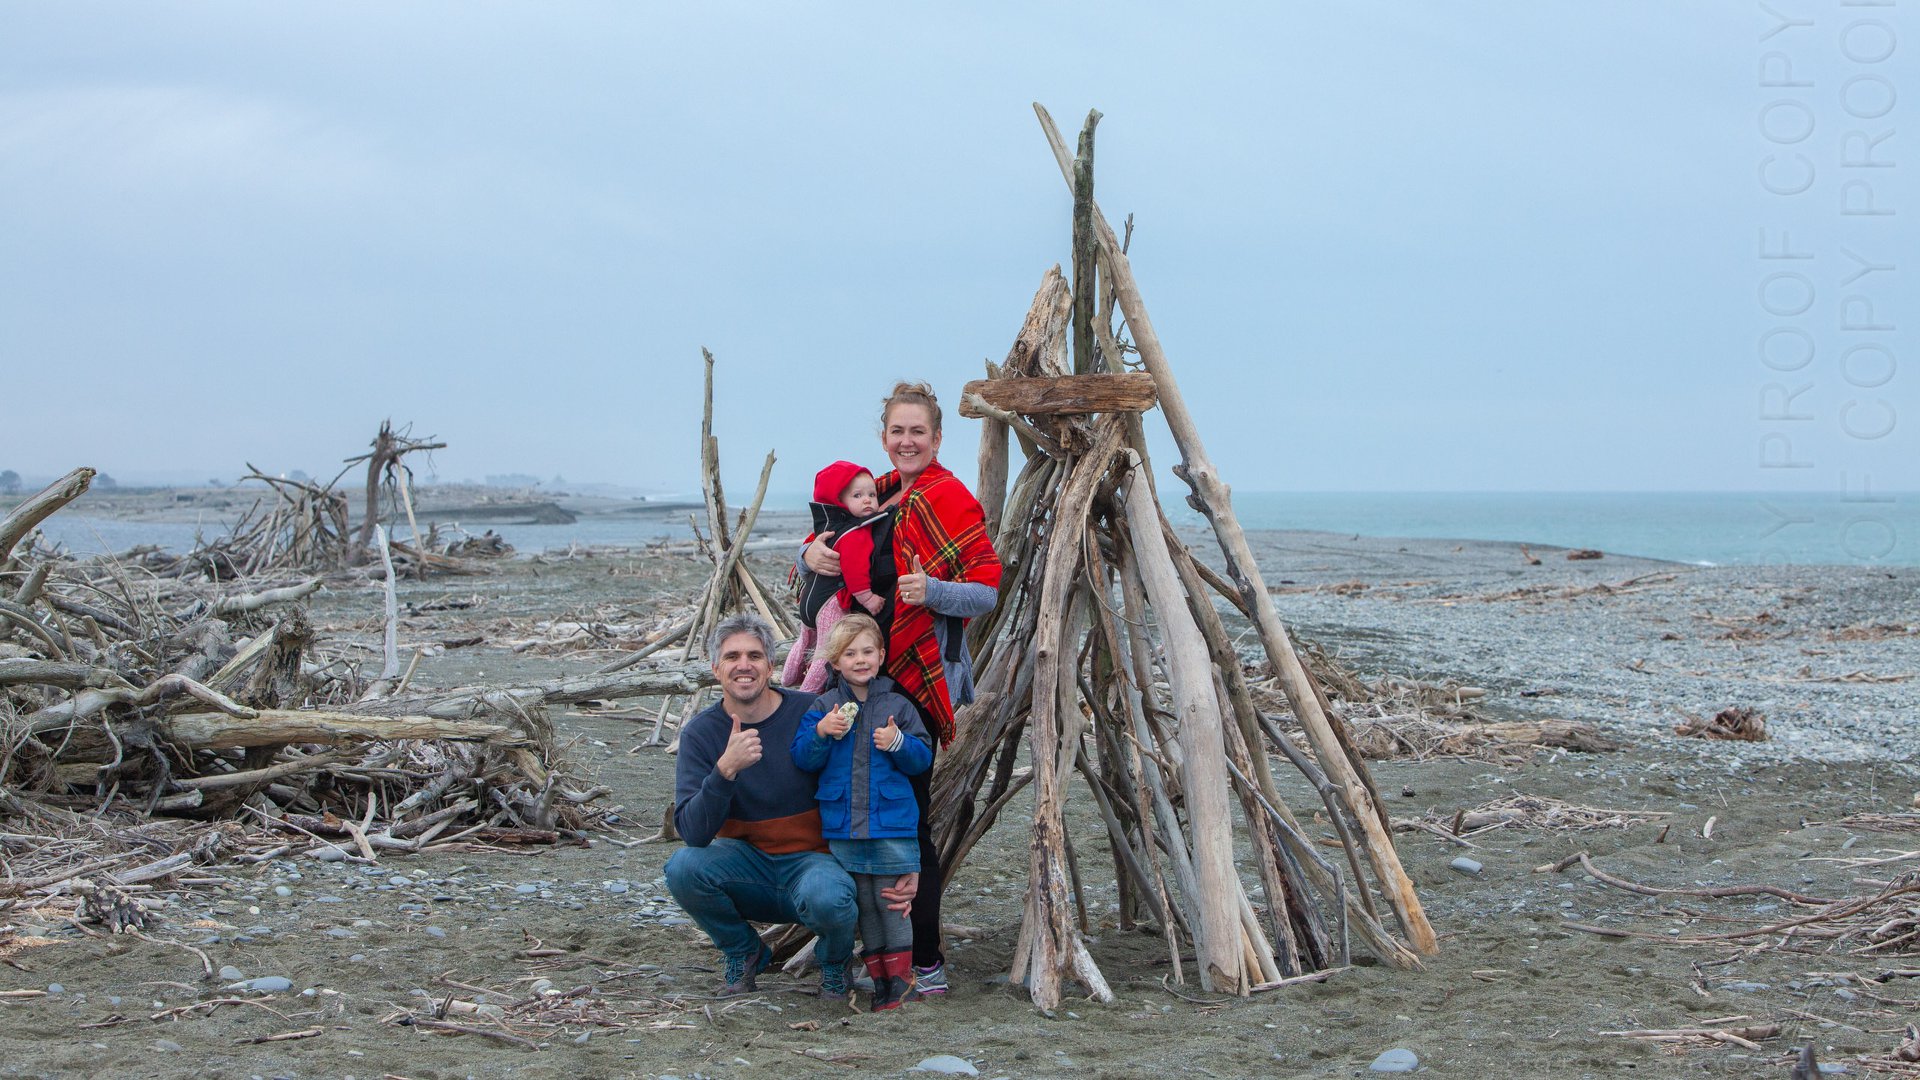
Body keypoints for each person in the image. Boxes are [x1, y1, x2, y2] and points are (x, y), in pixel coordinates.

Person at [803, 381, 1002, 997]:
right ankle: (869, 952)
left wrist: (931, 591)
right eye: (898, 431)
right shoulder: (875, 494)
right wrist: (811, 556)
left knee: (905, 825)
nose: (907, 441)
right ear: (884, 437)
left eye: (918, 431)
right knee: (845, 810)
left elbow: (986, 591)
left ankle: (926, 960)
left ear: (937, 439)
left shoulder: (950, 499)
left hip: (914, 681)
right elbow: (825, 541)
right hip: (853, 676)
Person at [664, 612, 915, 998]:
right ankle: (744, 951)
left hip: (814, 865)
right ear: (715, 669)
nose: (744, 665)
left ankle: (835, 963)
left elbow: (877, 783)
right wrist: (725, 770)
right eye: (732, 657)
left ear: (771, 666)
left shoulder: (813, 712)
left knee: (828, 896)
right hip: (747, 868)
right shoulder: (701, 733)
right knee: (682, 868)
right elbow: (693, 834)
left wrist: (906, 862)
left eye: (754, 656)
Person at [790, 614, 933, 1010]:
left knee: (891, 901)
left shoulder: (898, 705)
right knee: (865, 904)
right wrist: (821, 732)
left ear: (881, 656)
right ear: (835, 662)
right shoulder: (824, 706)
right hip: (845, 827)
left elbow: (922, 759)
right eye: (850, 653)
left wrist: (898, 741)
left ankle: (899, 984)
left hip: (891, 825)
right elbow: (802, 758)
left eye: (868, 651)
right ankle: (879, 980)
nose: (860, 660)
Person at [781, 460, 892, 694]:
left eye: (872, 495)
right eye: (857, 496)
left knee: (805, 639)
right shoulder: (856, 533)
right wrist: (868, 598)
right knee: (827, 649)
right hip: (831, 603)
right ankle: (806, 695)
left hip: (810, 598)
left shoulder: (830, 526)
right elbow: (855, 570)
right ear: (839, 500)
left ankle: (788, 678)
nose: (867, 500)